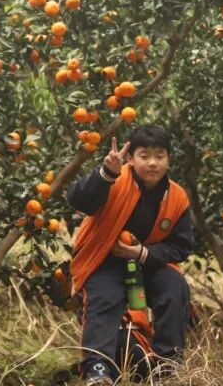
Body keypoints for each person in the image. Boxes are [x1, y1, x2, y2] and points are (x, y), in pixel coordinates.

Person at [66, 124, 194, 385]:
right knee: (104, 298)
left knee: (174, 287)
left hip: (147, 261)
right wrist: (105, 174)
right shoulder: (113, 179)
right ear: (131, 159)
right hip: (104, 259)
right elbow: (77, 200)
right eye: (144, 156)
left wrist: (142, 253)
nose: (152, 163)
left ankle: (168, 368)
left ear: (168, 158)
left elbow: (182, 246)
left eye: (159, 156)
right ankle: (98, 369)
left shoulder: (177, 197)